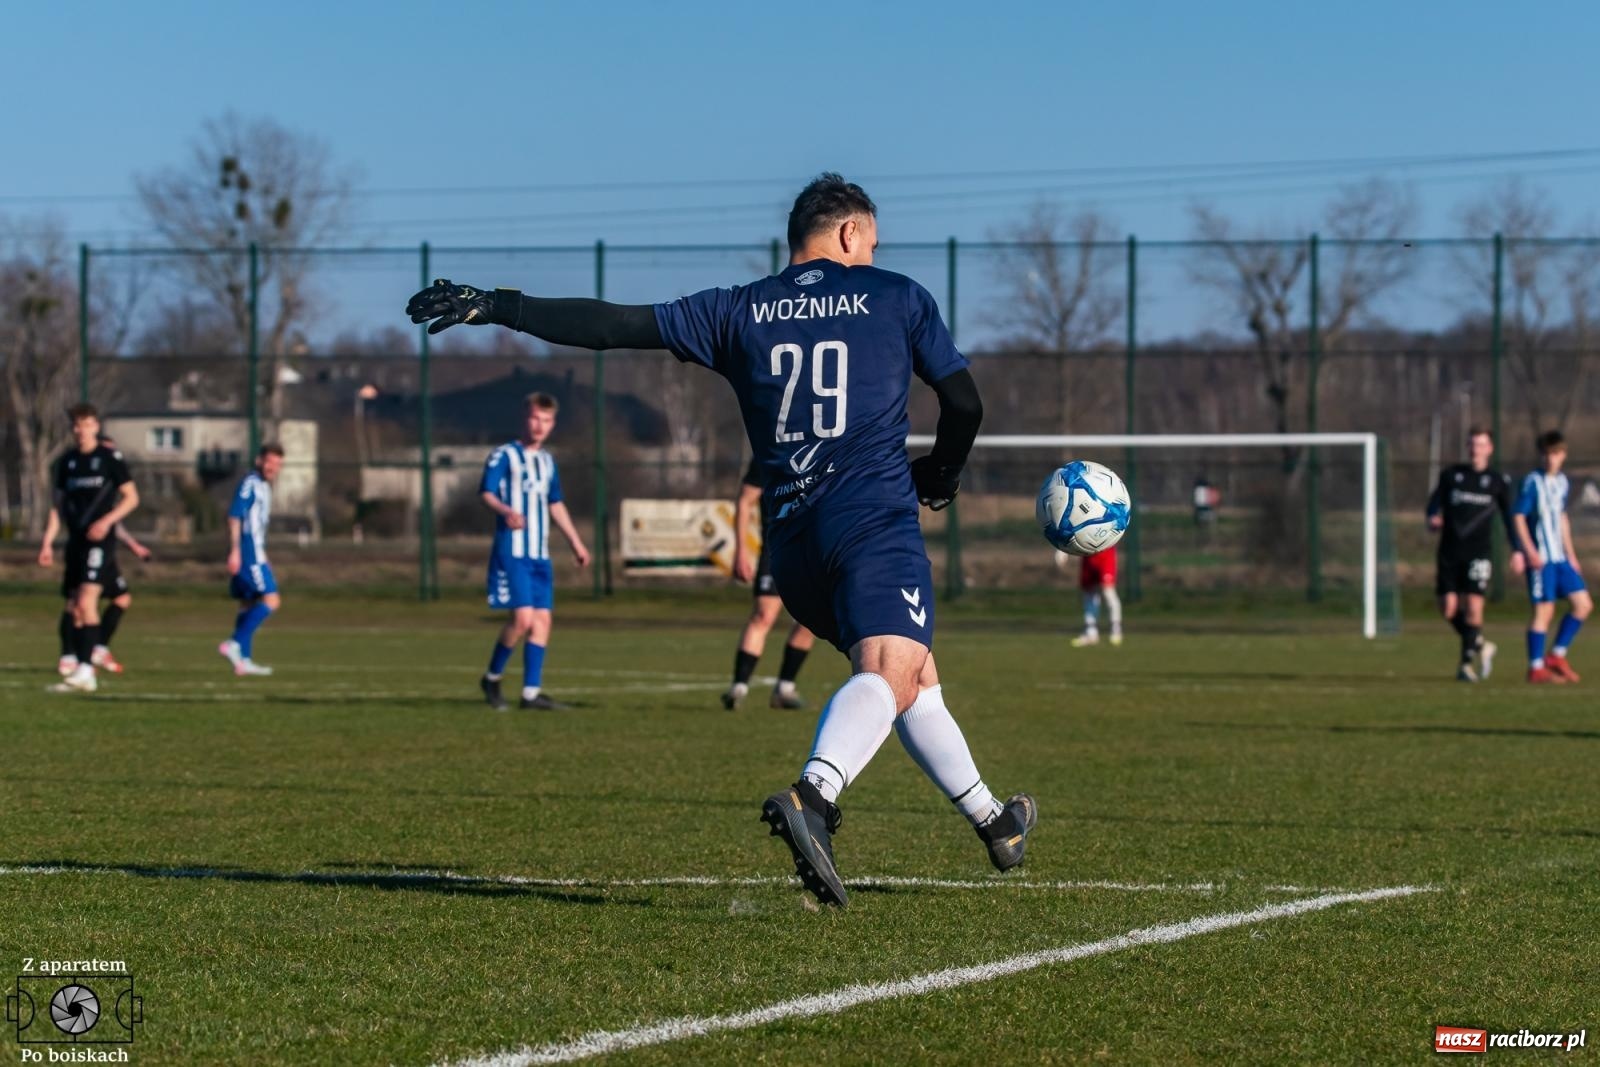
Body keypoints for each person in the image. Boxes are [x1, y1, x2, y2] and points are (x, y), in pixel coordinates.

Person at [407, 172, 1035, 907]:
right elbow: (963, 401)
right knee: (892, 667)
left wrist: (498, 305)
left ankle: (995, 820)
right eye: (871, 240)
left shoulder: (737, 310)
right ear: (849, 233)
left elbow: (613, 326)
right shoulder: (897, 295)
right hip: (871, 520)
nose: (872, 252)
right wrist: (943, 475)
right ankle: (815, 797)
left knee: (910, 674)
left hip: (793, 544)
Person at [478, 393, 591, 711]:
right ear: (523, 418)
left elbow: (555, 503)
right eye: (534, 418)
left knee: (542, 621)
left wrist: (576, 542)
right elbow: (486, 492)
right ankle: (492, 677)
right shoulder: (504, 455)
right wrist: (504, 510)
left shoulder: (547, 462)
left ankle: (531, 693)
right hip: (512, 551)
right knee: (523, 618)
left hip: (539, 554)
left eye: (546, 420)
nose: (539, 426)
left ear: (552, 424)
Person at [38, 404, 140, 694]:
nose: (80, 430)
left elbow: (132, 498)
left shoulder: (109, 459)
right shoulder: (66, 462)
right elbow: (57, 508)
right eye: (76, 425)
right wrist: (47, 543)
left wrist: (107, 521)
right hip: (75, 542)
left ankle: (86, 670)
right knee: (75, 608)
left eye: (86, 424)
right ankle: (76, 660)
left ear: (96, 426)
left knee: (87, 601)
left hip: (100, 542)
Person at [1425, 427, 1516, 682]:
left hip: (1479, 553)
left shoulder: (1497, 482)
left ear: (1490, 449)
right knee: (1448, 608)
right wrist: (1432, 518)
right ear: (1467, 447)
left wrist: (1517, 550)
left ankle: (1465, 665)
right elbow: (1433, 504)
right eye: (1472, 444)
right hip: (1449, 551)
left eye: (1481, 444)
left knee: (1475, 606)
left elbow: (1509, 519)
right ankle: (1479, 643)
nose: (1476, 449)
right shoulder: (1451, 476)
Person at [723, 457, 814, 710]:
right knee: (764, 615)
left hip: (811, 550)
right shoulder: (771, 451)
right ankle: (738, 687)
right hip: (776, 549)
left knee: (812, 620)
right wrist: (741, 551)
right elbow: (745, 500)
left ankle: (784, 689)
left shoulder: (823, 451)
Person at [1512, 430, 1590, 684]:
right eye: (1546, 454)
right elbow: (1518, 517)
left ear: (1563, 455)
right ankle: (1535, 668)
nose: (1550, 459)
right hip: (1541, 560)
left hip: (1560, 559)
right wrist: (1529, 551)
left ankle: (1556, 655)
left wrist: (1572, 555)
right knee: (1544, 611)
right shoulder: (1533, 482)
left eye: (1555, 454)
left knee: (1583, 605)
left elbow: (1562, 518)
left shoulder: (1563, 483)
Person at [219, 444, 284, 677]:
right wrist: (235, 550)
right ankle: (234, 643)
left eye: (277, 464)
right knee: (272, 600)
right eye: (269, 462)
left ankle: (243, 660)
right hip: (248, 553)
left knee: (247, 603)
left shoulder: (265, 487)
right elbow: (235, 515)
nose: (272, 467)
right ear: (259, 461)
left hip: (256, 553)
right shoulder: (250, 483)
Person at [1068, 546, 1122, 647]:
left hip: (1106, 552)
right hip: (1087, 554)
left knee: (1108, 591)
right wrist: (1062, 549)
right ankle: (1091, 633)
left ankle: (1115, 629)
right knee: (1089, 593)